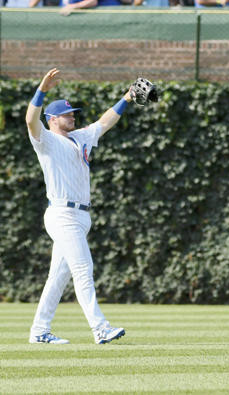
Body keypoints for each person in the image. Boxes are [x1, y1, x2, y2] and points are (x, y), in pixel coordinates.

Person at [26, 68, 133, 345]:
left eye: (73, 112)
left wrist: (128, 97)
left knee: (58, 277)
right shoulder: (46, 140)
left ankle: (39, 331)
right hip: (61, 214)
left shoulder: (81, 137)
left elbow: (104, 122)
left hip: (81, 215)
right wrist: (42, 90)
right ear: (52, 119)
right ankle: (100, 328)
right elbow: (30, 120)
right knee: (83, 268)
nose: (72, 115)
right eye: (67, 113)